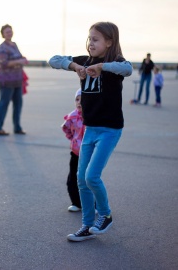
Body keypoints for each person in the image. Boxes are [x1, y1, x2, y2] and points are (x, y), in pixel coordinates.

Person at [49, 21, 133, 242]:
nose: (90, 43)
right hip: (90, 129)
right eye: (89, 39)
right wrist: (74, 67)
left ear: (109, 42)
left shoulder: (115, 64)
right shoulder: (85, 61)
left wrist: (103, 67)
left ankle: (105, 215)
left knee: (92, 176)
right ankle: (87, 225)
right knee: (81, 179)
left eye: (95, 39)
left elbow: (128, 69)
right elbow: (53, 60)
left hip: (109, 130)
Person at [0, 24, 28, 136]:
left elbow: (19, 57)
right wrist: (19, 62)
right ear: (3, 34)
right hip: (6, 81)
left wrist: (23, 59)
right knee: (4, 103)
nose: (9, 33)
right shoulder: (2, 48)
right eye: (7, 32)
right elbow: (3, 63)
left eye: (10, 31)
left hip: (17, 80)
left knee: (18, 104)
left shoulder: (14, 45)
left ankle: (17, 127)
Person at [61, 88, 84, 212]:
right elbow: (66, 128)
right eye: (77, 99)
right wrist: (73, 140)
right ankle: (76, 202)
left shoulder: (92, 116)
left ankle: (94, 204)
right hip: (75, 153)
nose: (79, 102)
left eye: (83, 99)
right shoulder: (72, 116)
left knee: (89, 178)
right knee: (72, 178)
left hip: (89, 153)